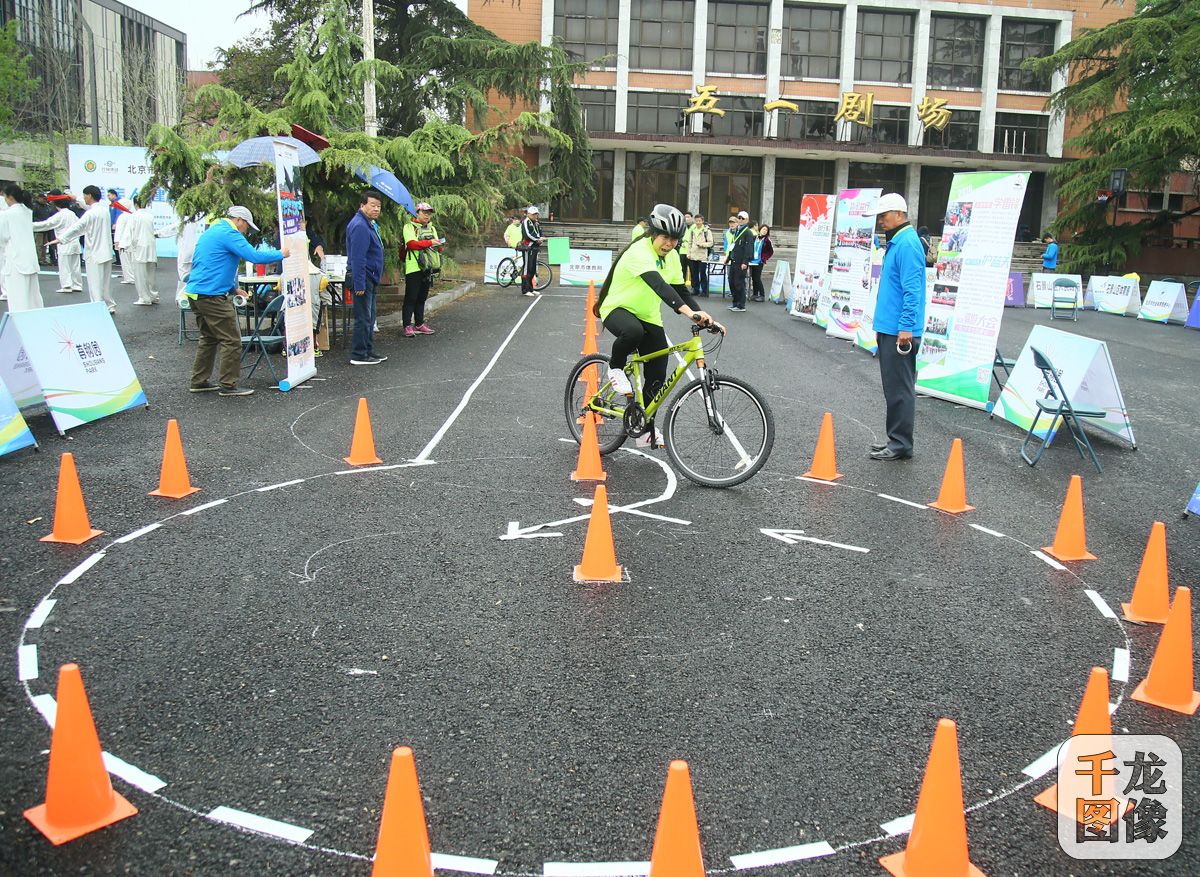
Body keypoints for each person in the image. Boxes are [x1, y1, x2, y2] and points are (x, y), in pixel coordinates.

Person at [593, 204, 724, 448]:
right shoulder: (638, 251)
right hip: (617, 308)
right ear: (654, 234)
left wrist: (705, 317)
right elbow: (659, 286)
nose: (669, 244)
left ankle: (644, 429)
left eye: (674, 239)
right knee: (633, 332)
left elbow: (680, 290)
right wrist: (688, 313)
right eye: (665, 237)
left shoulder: (672, 257)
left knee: (657, 376)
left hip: (649, 316)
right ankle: (615, 367)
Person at [185, 206, 288, 396]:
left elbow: (212, 264)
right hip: (212, 296)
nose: (246, 231)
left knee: (208, 338)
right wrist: (281, 253)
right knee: (231, 340)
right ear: (239, 220)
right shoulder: (229, 233)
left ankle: (198, 381)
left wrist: (233, 288)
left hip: (196, 293)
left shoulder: (214, 231)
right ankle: (228, 385)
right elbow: (254, 256)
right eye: (247, 226)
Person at [867, 193, 926, 461]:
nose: (881, 221)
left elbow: (912, 291)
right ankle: (896, 438)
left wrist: (906, 327)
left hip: (899, 331)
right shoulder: (898, 241)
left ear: (899, 214)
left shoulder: (907, 243)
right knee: (893, 389)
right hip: (891, 327)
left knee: (899, 389)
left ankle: (901, 443)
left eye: (884, 215)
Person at [52, 185, 117, 312]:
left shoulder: (91, 213)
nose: (83, 198)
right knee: (105, 283)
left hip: (94, 253)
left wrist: (61, 239)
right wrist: (76, 198)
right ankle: (109, 305)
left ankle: (97, 307)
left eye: (84, 196)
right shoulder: (103, 210)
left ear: (89, 196)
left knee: (94, 283)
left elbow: (77, 227)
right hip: (106, 252)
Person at [345, 189, 387, 364]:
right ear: (362, 205)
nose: (376, 209)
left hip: (370, 276)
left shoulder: (368, 224)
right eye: (372, 205)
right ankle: (359, 354)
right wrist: (359, 284)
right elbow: (358, 257)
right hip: (363, 277)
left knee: (370, 316)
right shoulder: (360, 226)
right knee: (363, 317)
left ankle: (368, 350)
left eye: (379, 206)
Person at [0, 184, 44, 311]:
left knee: (17, 297)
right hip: (30, 258)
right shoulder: (27, 211)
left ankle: (19, 320)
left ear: (10, 197)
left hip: (15, 259)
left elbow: (2, 237)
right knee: (33, 297)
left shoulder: (6, 214)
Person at [401, 201, 442, 336]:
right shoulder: (409, 227)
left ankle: (419, 324)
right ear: (416, 213)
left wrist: (439, 246)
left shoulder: (432, 228)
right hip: (414, 267)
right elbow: (411, 244)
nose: (427, 215)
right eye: (424, 212)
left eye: (429, 213)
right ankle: (407, 325)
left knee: (422, 298)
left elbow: (438, 247)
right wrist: (430, 242)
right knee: (411, 297)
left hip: (428, 267)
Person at [34, 193, 84, 293]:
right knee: (75, 266)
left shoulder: (60, 215)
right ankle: (77, 285)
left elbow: (46, 224)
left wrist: (30, 225)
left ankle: (66, 286)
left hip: (63, 243)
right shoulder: (72, 214)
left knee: (64, 266)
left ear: (57, 204)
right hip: (75, 243)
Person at [725, 210, 753, 311]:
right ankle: (735, 303)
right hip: (733, 260)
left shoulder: (748, 232)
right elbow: (733, 246)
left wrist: (745, 261)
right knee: (731, 281)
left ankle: (741, 305)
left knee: (739, 283)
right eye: (739, 218)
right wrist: (728, 258)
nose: (740, 220)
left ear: (747, 220)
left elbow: (749, 248)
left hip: (741, 262)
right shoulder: (737, 230)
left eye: (742, 218)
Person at [685, 213, 713, 297]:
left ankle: (704, 291)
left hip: (702, 255)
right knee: (694, 274)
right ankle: (695, 290)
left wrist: (702, 244)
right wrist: (689, 253)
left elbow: (710, 243)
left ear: (702, 221)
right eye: (696, 221)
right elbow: (690, 243)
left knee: (702, 273)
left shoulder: (707, 231)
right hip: (693, 255)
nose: (698, 222)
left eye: (699, 221)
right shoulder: (693, 230)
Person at [520, 205, 543, 296]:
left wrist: (541, 239)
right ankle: (525, 290)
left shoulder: (536, 222)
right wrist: (536, 239)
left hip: (535, 247)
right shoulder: (525, 221)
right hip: (527, 247)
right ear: (528, 214)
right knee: (527, 268)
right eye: (533, 214)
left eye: (536, 214)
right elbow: (527, 235)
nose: (535, 216)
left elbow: (539, 232)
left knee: (533, 268)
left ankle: (530, 288)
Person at [748, 224, 774, 302]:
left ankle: (762, 295)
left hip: (760, 261)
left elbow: (770, 251)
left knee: (757, 278)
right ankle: (755, 294)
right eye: (763, 229)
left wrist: (764, 258)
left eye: (766, 230)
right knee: (753, 278)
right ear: (760, 229)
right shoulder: (754, 238)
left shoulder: (767, 241)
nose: (764, 231)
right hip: (752, 261)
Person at [113, 197, 136, 285]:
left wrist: (117, 241)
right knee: (131, 261)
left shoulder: (122, 217)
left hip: (123, 242)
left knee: (125, 261)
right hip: (132, 242)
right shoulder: (132, 215)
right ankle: (133, 277)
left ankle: (129, 278)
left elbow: (119, 231)